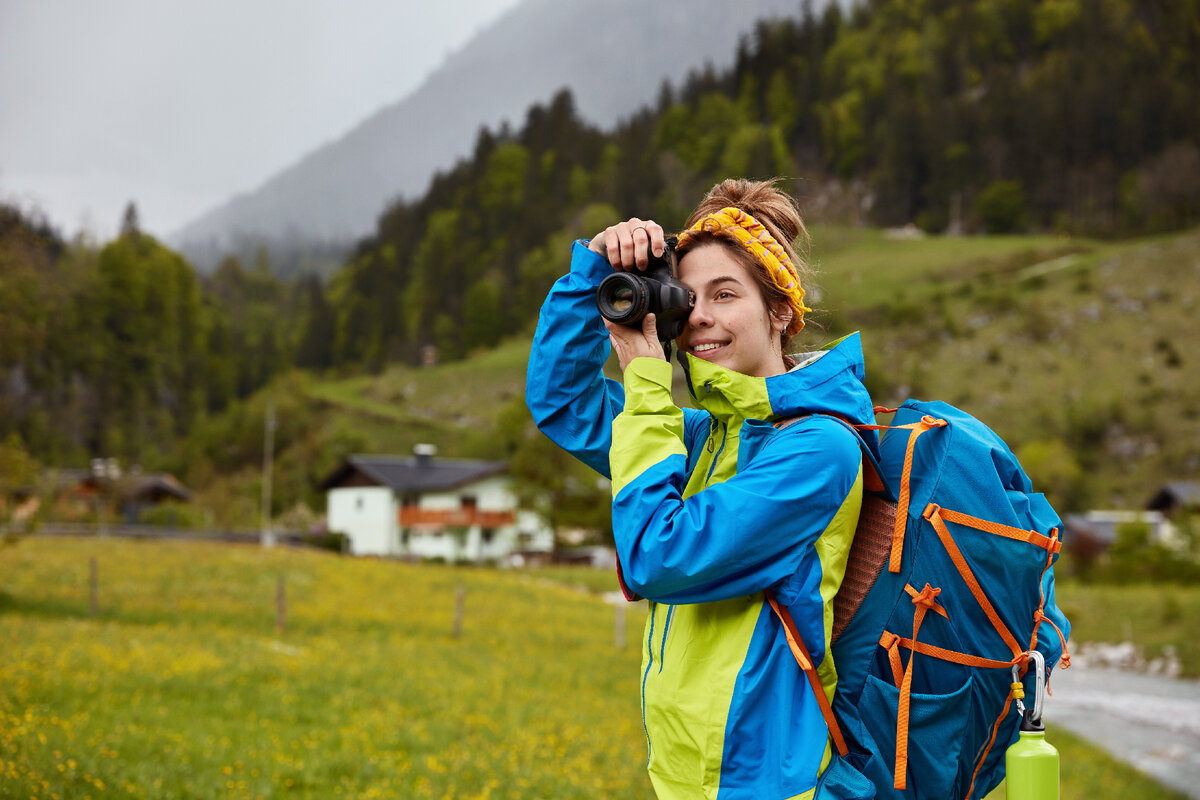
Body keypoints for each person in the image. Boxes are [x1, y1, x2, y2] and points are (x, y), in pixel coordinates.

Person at [526, 179, 876, 799]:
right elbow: (561, 400)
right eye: (689, 299)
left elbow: (658, 557)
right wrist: (594, 273)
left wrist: (646, 387)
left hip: (769, 787)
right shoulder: (705, 441)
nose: (702, 317)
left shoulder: (817, 450)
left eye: (726, 294)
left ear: (780, 312)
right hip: (686, 783)